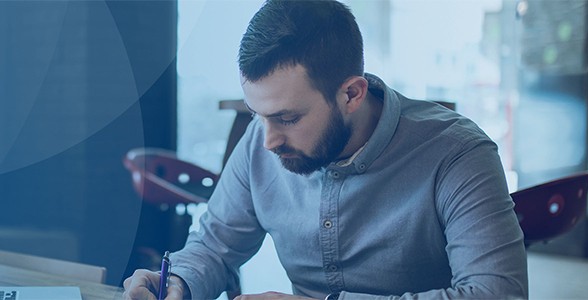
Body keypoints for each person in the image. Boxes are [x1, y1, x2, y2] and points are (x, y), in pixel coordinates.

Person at [123, 0, 528, 299]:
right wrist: (178, 281)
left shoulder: (457, 154)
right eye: (256, 115)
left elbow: (496, 294)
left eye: (288, 118)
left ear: (351, 94)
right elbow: (214, 246)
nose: (268, 141)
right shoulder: (261, 142)